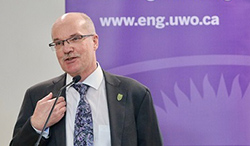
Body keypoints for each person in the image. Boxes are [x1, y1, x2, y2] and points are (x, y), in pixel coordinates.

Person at [10, 12, 163, 146]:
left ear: (94, 41)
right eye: (58, 43)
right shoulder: (38, 96)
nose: (67, 49)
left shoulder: (134, 93)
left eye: (75, 38)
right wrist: (35, 126)